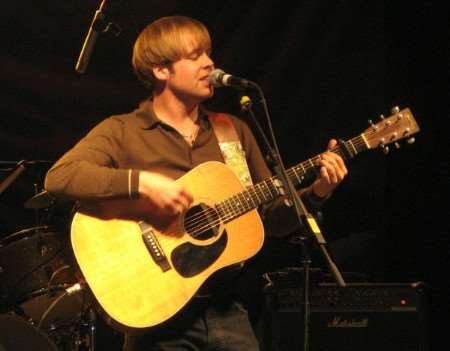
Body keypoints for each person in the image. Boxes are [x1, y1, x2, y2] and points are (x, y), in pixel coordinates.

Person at [45, 15, 347, 351]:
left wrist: (317, 193)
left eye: (209, 54)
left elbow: (270, 222)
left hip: (227, 310)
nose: (209, 64)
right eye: (195, 56)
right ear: (161, 70)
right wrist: (141, 183)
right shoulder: (123, 131)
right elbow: (60, 176)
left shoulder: (233, 130)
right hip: (155, 313)